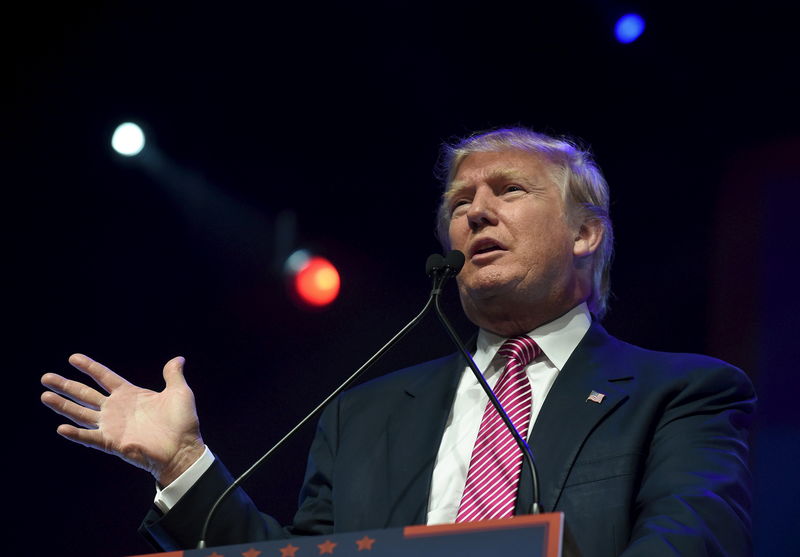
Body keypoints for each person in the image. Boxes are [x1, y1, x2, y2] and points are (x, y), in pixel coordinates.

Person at [41, 127, 755, 557]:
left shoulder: (681, 394)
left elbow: (689, 544)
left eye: (507, 190)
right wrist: (184, 463)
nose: (475, 210)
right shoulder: (365, 415)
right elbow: (288, 556)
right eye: (458, 203)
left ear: (585, 232)